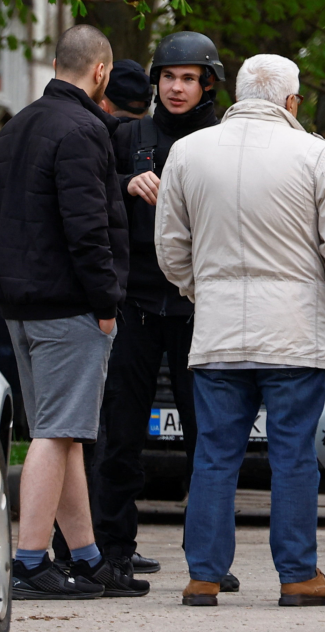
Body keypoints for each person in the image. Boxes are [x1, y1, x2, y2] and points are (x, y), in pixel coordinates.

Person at [155, 54, 325, 608]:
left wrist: (202, 292)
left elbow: (170, 249)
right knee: (293, 455)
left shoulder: (187, 152)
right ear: (291, 102)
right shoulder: (316, 153)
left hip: (219, 333)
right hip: (295, 333)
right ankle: (297, 575)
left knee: (214, 455)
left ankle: (204, 574)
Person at [0, 25, 142, 600]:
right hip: (68, 302)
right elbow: (88, 228)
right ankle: (28, 560)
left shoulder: (17, 125)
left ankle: (88, 557)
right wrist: (106, 303)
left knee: (68, 431)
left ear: (57, 64)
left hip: (19, 302)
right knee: (56, 434)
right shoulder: (83, 130)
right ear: (101, 73)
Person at [89, 32, 225, 580]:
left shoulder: (224, 140)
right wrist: (123, 183)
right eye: (168, 77)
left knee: (209, 440)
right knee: (120, 435)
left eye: (188, 78)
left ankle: (208, 560)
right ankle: (113, 550)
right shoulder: (128, 136)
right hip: (136, 306)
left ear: (207, 84)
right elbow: (89, 193)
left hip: (201, 308)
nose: (176, 87)